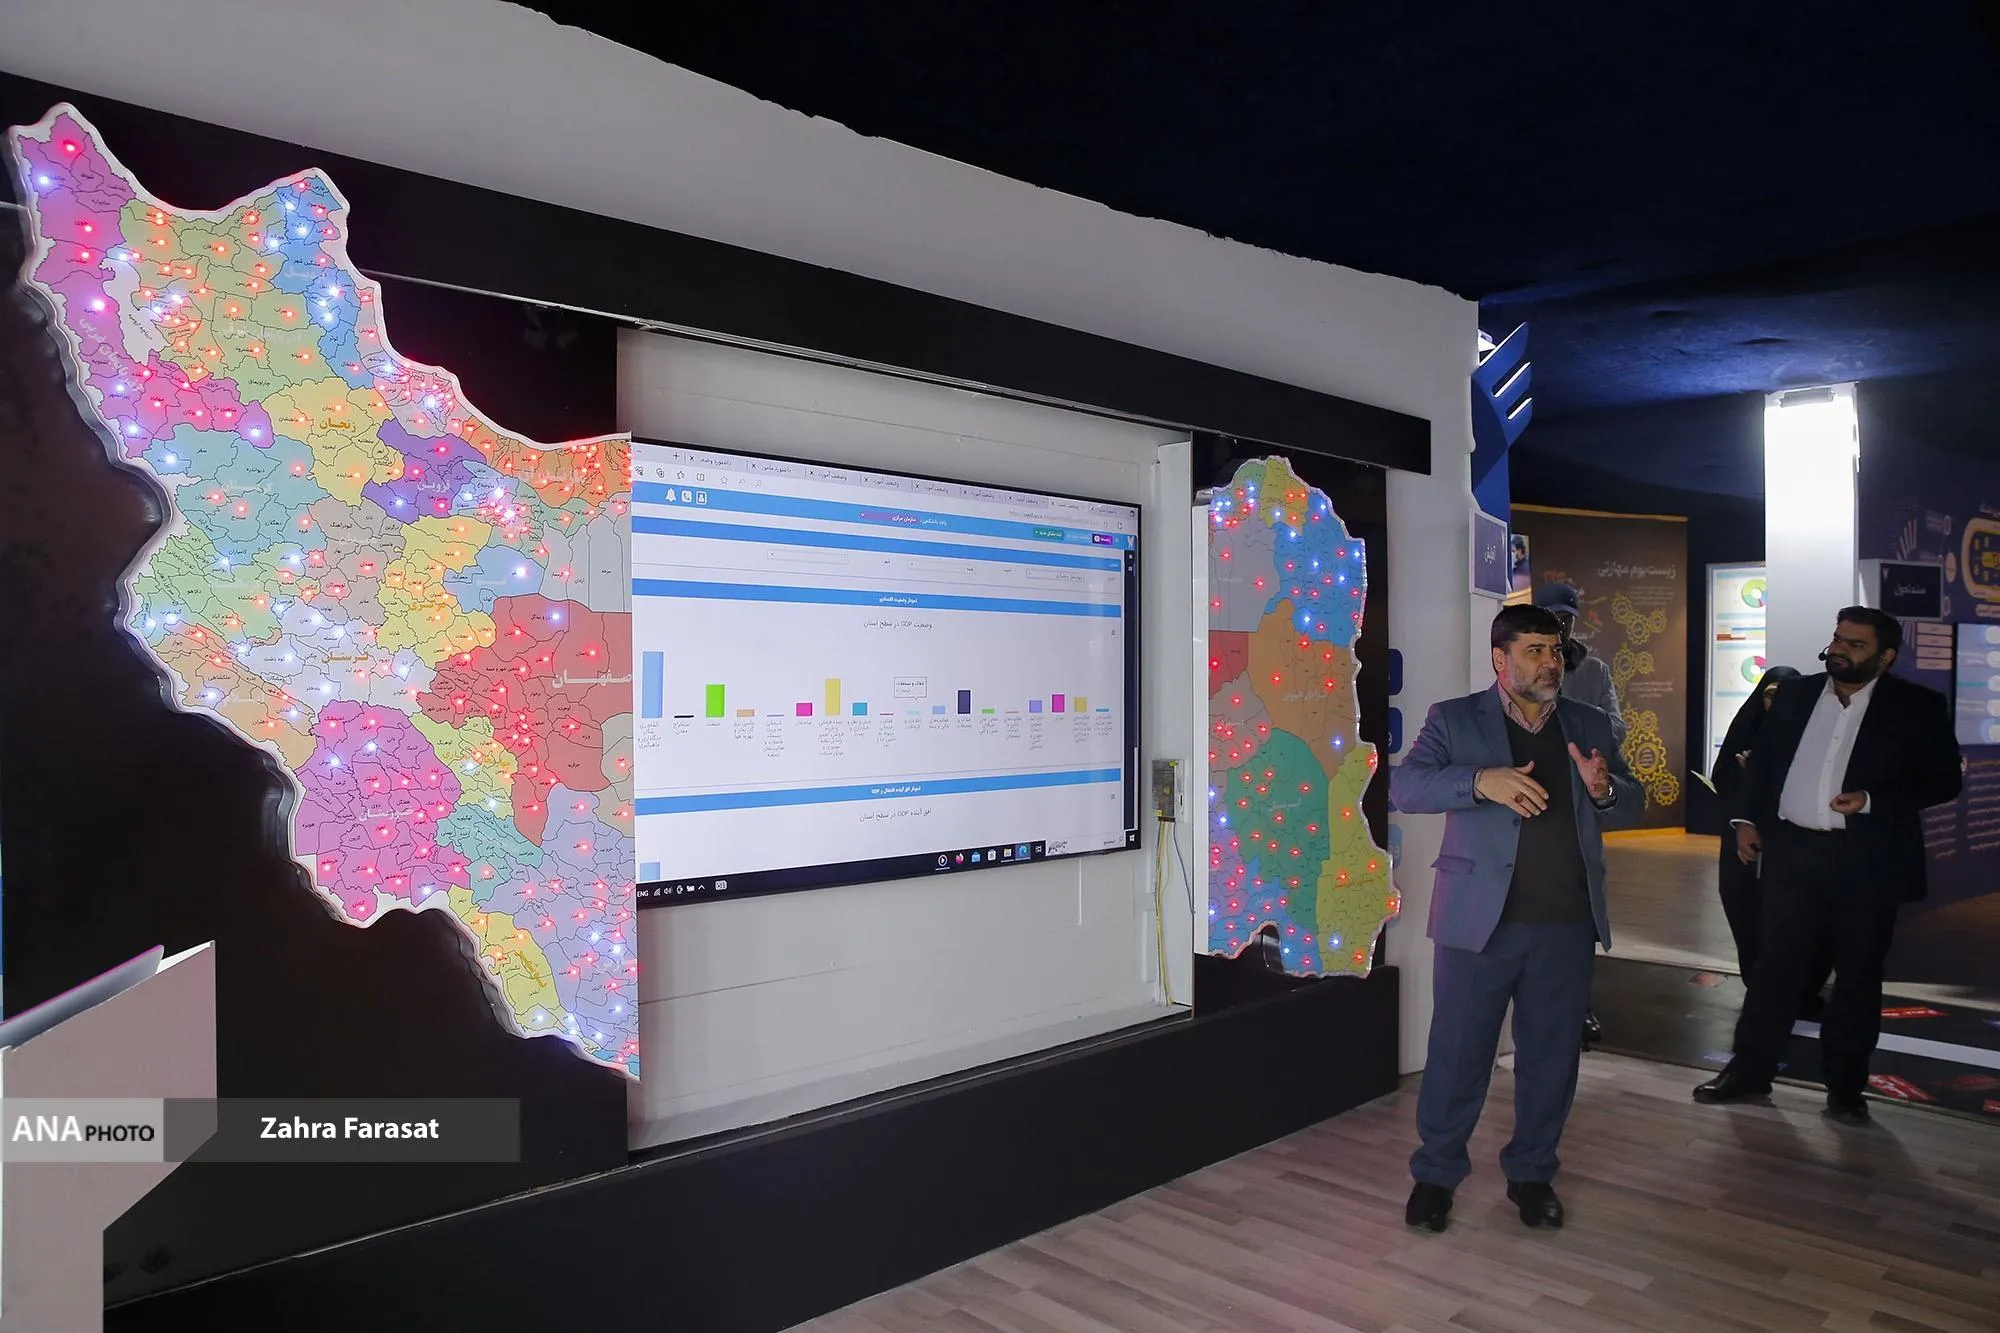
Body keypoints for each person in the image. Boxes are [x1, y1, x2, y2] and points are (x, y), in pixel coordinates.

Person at [1390, 604, 1640, 1233]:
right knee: (1458, 1054)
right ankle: (1435, 1176)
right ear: (1500, 659)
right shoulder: (1454, 719)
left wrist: (1604, 789)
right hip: (1477, 923)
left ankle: (1532, 1174)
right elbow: (1406, 788)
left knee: (1551, 1058)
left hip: (1566, 922)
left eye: (1554, 650)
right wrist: (1481, 782)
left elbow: (1630, 801)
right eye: (1534, 651)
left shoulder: (1588, 722)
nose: (1550, 662)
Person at [1695, 608, 1961, 1125]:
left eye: (1855, 645)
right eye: (1838, 639)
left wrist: (1870, 799)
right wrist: (1746, 820)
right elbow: (1762, 763)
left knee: (1857, 976)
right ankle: (1748, 1071)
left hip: (1867, 862)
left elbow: (1943, 780)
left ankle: (1845, 1088)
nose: (1839, 650)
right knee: (1775, 969)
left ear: (1885, 656)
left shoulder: (1916, 706)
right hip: (1792, 854)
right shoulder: (1795, 695)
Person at [1533, 581, 1623, 1047]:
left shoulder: (1594, 671)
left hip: (1578, 799)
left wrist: (1575, 728)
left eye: (1567, 618)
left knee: (1579, 904)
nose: (1561, 625)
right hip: (1528, 794)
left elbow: (1616, 727)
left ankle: (1579, 1006)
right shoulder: (1519, 661)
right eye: (1553, 616)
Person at [1711, 664, 1829, 1013]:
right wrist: (1746, 778)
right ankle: (1758, 983)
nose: (1775, 704)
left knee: (1797, 920)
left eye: (1783, 696)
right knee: (1745, 910)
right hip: (1742, 846)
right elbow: (1722, 779)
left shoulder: (1808, 733)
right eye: (1770, 695)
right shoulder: (1746, 730)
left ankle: (1801, 989)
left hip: (1793, 847)